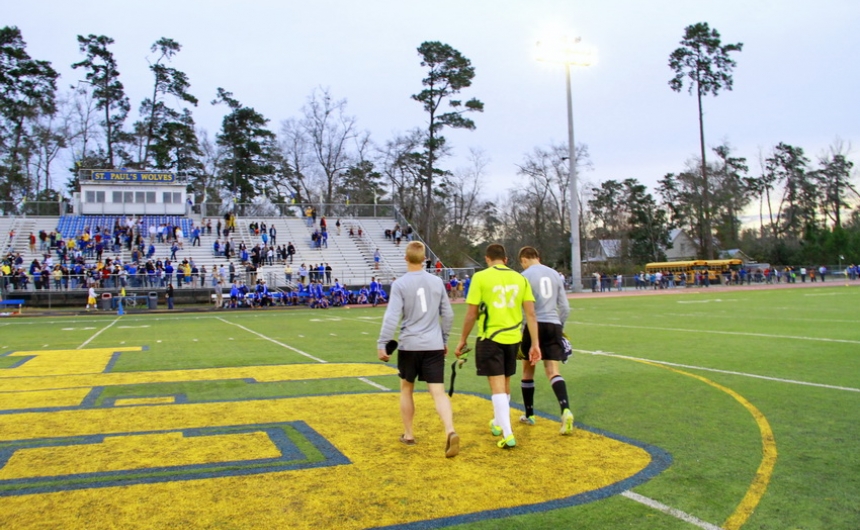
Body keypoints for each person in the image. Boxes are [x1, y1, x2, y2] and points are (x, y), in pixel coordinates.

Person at [455, 243, 540, 449]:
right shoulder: (520, 278)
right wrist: (535, 344)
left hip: (490, 337)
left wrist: (462, 339)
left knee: (496, 386)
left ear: (487, 259)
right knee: (505, 381)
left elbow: (471, 314)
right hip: (513, 337)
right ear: (506, 259)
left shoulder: (481, 277)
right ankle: (497, 421)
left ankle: (508, 433)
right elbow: (531, 314)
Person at [377, 241, 458, 457]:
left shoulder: (400, 284)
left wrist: (382, 342)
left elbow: (392, 316)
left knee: (406, 388)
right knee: (438, 393)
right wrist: (444, 339)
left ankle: (409, 434)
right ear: (424, 260)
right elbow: (448, 315)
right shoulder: (436, 281)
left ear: (406, 258)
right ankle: (450, 430)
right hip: (433, 345)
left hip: (409, 345)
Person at [516, 246, 574, 434]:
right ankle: (565, 409)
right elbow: (565, 307)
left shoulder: (524, 276)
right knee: (552, 371)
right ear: (538, 257)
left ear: (524, 260)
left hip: (534, 325)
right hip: (553, 324)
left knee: (528, 369)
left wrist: (524, 331)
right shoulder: (555, 274)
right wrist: (560, 328)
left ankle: (530, 414)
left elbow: (524, 309)